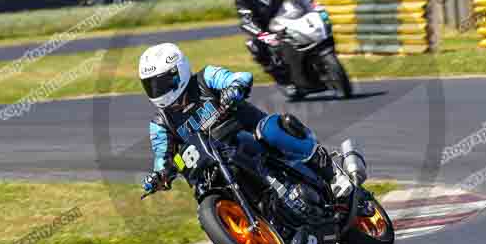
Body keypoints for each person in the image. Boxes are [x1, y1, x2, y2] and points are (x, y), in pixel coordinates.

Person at [138, 43, 350, 198]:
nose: (158, 91)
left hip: (250, 136)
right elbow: (162, 156)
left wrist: (234, 88)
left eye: (162, 83)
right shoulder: (160, 123)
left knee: (273, 128)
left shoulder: (205, 78)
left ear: (179, 71)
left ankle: (331, 173)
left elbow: (240, 77)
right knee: (204, 190)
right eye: (152, 86)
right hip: (217, 164)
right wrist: (159, 176)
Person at [233, 0, 324, 95]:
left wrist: (309, 0)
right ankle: (286, 82)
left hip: (282, 14)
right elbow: (245, 18)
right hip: (262, 25)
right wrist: (263, 35)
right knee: (253, 46)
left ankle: (319, 50)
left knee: (301, 11)